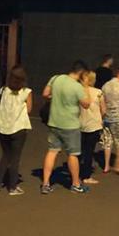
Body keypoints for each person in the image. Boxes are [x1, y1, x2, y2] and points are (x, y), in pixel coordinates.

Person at [41, 60, 92, 194]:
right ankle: (75, 184)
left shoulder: (56, 78)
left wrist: (56, 99)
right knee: (73, 154)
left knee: (52, 151)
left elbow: (45, 94)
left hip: (54, 122)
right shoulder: (77, 87)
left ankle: (45, 183)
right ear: (82, 73)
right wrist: (86, 86)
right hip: (70, 125)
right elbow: (86, 104)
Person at [0, 65, 32, 196]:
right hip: (18, 127)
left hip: (2, 127)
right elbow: (29, 109)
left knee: (6, 154)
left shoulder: (3, 90)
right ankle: (13, 187)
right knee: (15, 158)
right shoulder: (26, 92)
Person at [78, 71, 106, 185]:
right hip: (94, 125)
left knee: (79, 150)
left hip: (80, 124)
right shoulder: (98, 92)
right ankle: (86, 176)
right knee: (89, 151)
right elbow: (104, 110)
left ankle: (76, 172)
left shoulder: (78, 92)